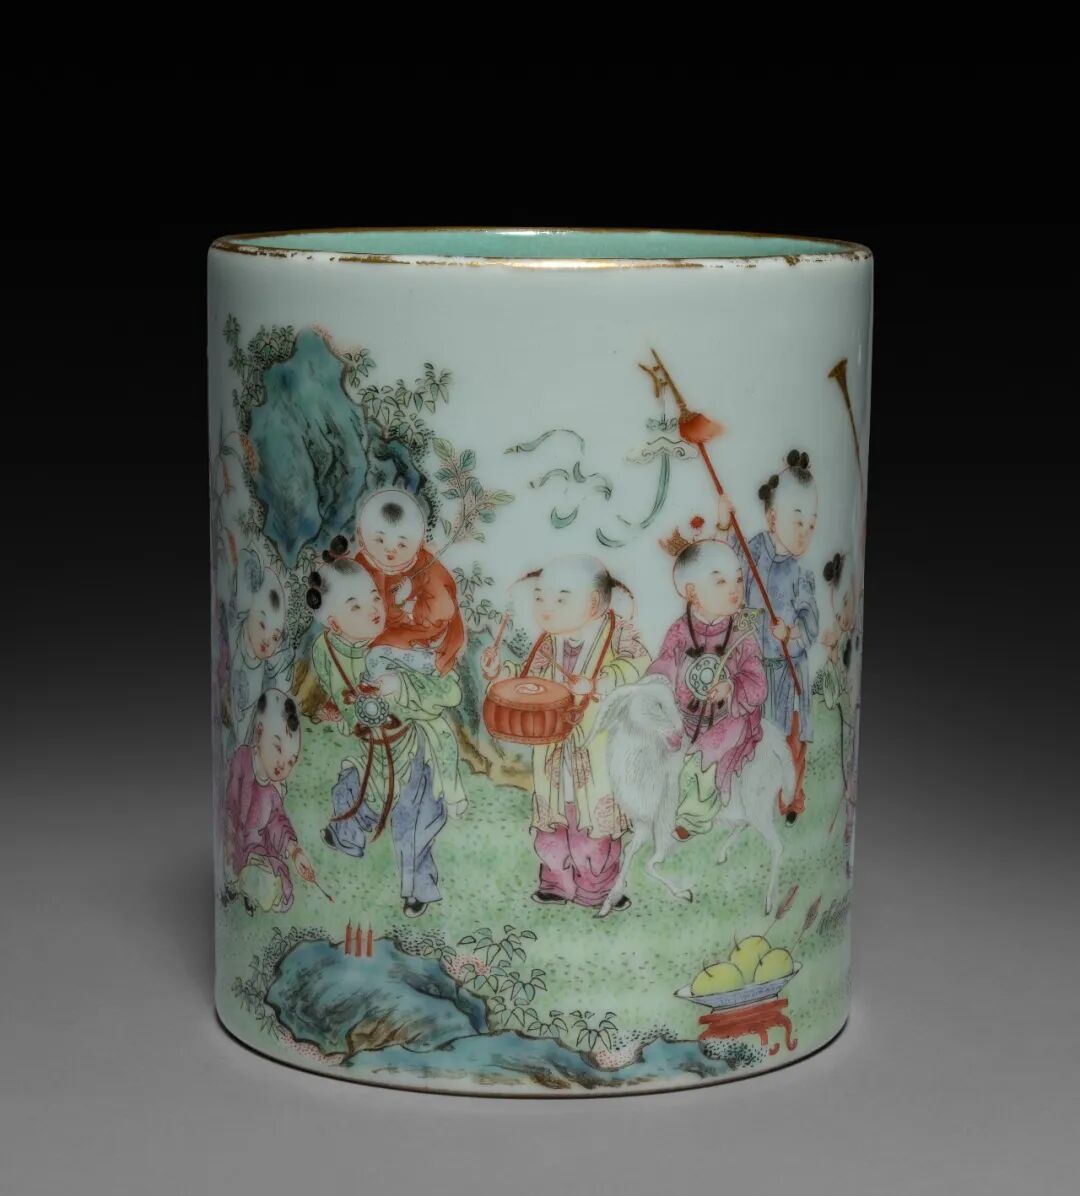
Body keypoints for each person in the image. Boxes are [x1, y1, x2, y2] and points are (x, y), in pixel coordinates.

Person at [481, 555, 649, 911]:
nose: (546, 607)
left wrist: (600, 682)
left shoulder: (618, 634)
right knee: (553, 820)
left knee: (595, 826)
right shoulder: (548, 642)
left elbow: (640, 665)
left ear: (593, 603)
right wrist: (499, 673)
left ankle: (598, 888)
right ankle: (556, 880)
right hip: (554, 753)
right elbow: (528, 681)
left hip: (597, 750)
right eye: (540, 597)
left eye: (560, 599)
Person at [307, 556, 464, 917]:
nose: (374, 609)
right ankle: (348, 836)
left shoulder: (398, 641)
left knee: (415, 816)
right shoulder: (325, 651)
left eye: (374, 597)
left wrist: (402, 687)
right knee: (353, 788)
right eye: (356, 606)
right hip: (371, 745)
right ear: (334, 623)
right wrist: (346, 712)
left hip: (411, 743)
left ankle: (418, 889)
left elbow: (450, 690)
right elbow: (337, 691)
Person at [718, 449, 819, 821]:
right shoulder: (752, 551)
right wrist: (724, 526)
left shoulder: (802, 573)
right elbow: (727, 568)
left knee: (791, 739)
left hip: (788, 673)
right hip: (755, 668)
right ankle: (751, 800)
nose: (805, 532)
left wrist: (790, 632)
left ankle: (791, 799)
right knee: (755, 737)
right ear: (773, 517)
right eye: (798, 520)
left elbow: (811, 621)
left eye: (812, 524)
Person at [648, 539, 768, 840]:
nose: (734, 590)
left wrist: (731, 687)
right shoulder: (680, 630)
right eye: (721, 582)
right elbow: (665, 664)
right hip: (686, 717)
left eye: (738, 580)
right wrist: (655, 687)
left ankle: (693, 818)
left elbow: (757, 683)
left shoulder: (741, 633)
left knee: (704, 756)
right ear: (692, 593)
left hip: (729, 719)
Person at [223, 689, 315, 915]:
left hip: (257, 853)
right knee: (242, 870)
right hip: (235, 845)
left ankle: (253, 891)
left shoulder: (273, 793)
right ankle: (242, 887)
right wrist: (230, 837)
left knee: (279, 876)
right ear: (259, 732)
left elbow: (277, 824)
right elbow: (230, 804)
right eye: (278, 748)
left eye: (291, 761)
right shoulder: (242, 760)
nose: (282, 764)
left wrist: (295, 852)